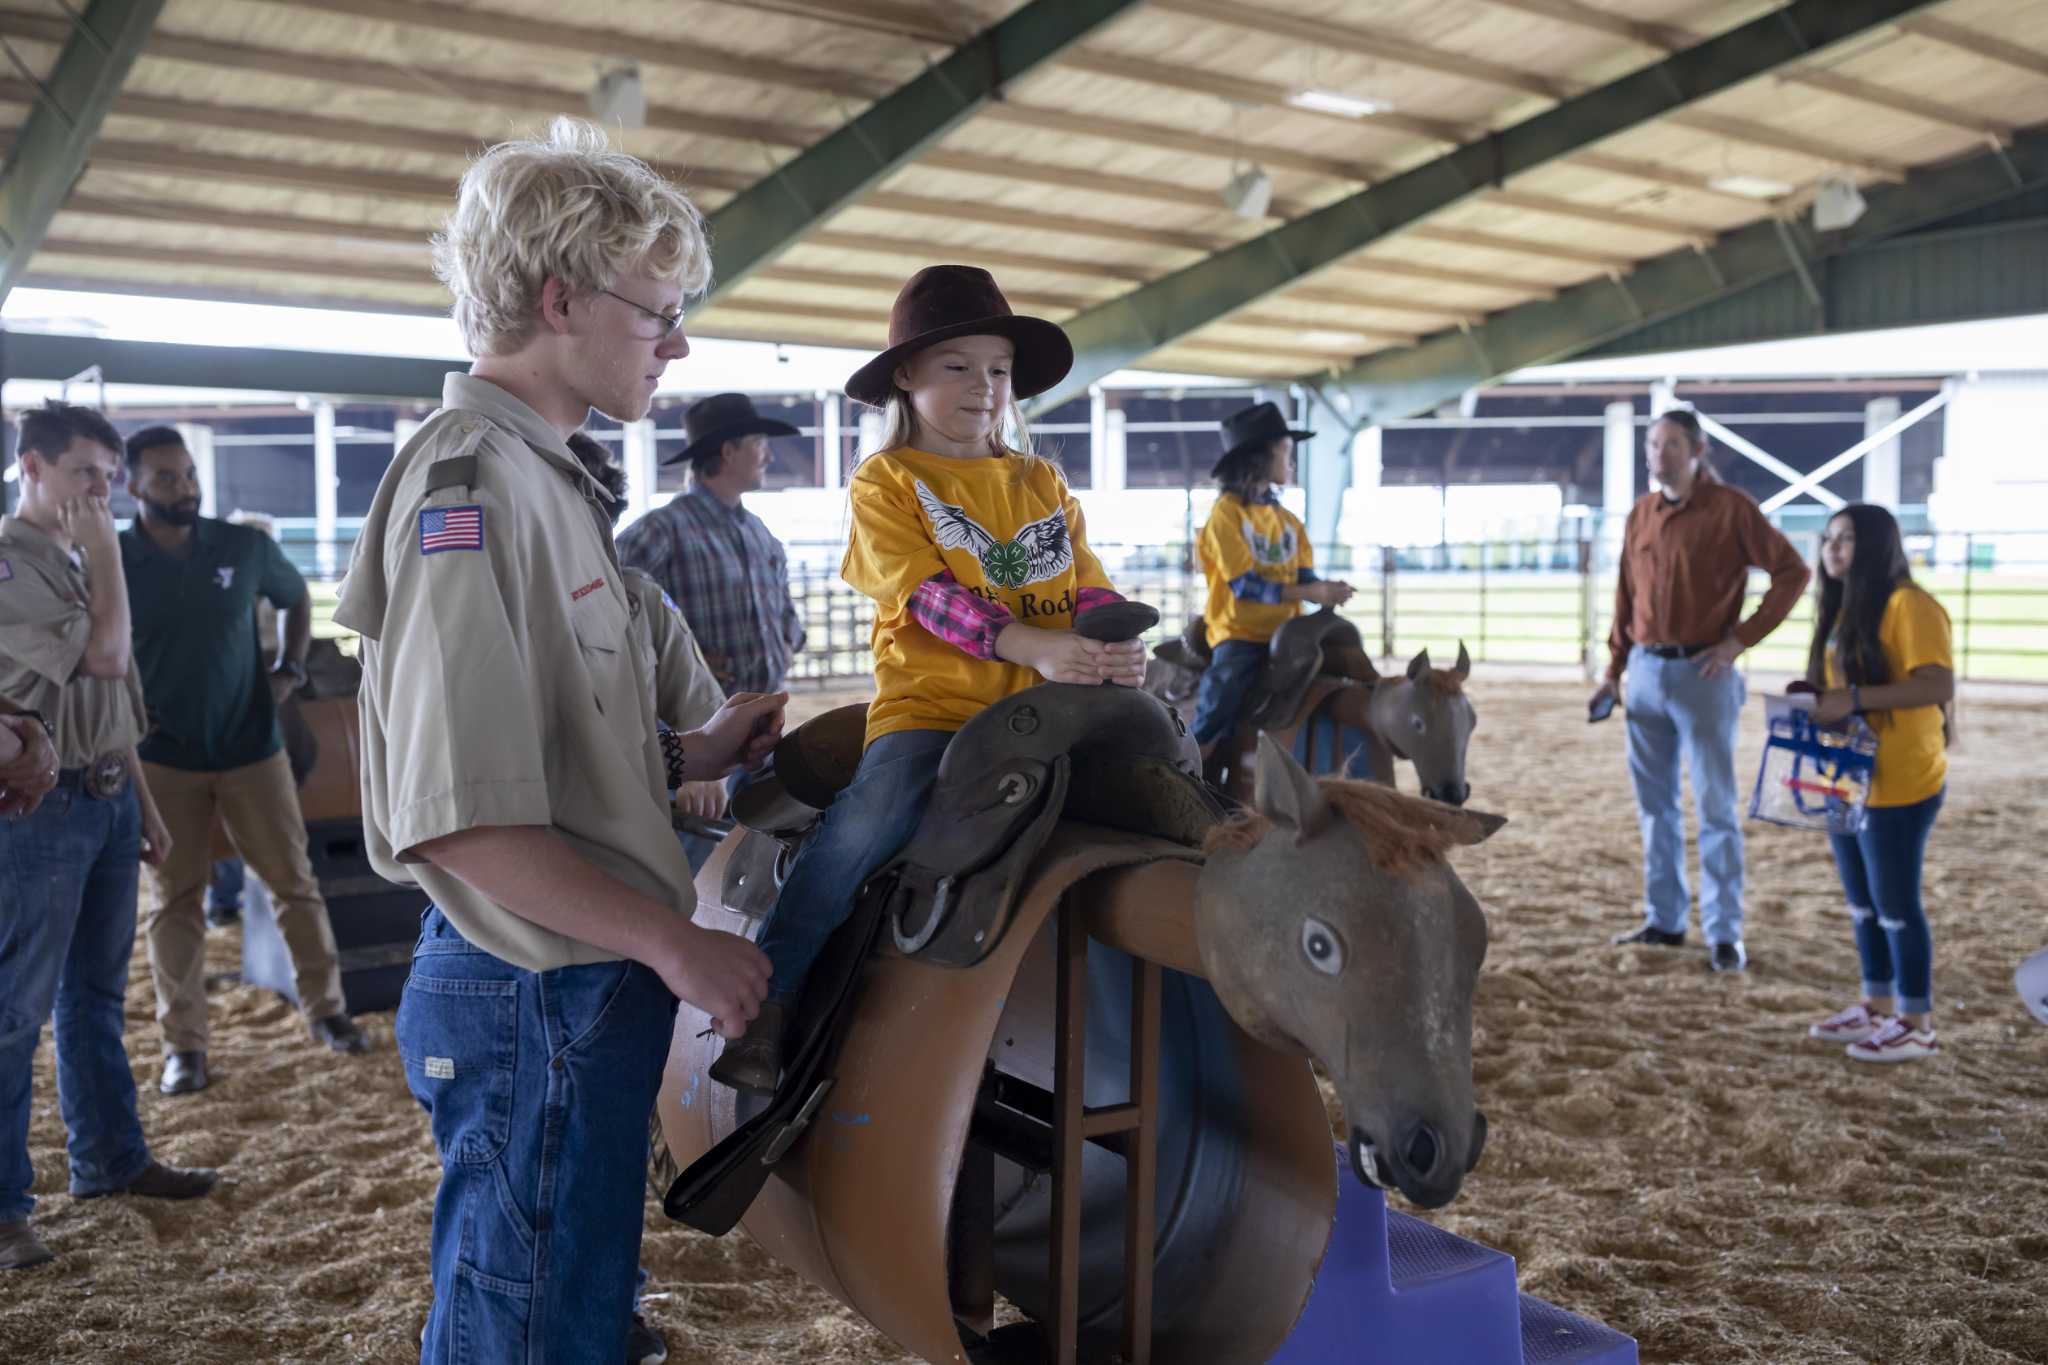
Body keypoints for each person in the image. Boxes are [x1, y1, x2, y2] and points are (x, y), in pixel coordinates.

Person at [331, 118, 783, 1364]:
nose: (676, 345)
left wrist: (688, 761)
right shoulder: (470, 490)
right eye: (659, 313)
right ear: (558, 296)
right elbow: (456, 814)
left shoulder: (550, 483)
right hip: (534, 982)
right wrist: (674, 944)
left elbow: (550, 753)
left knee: (565, 1309)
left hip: (566, 978)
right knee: (527, 1330)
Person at [709, 264, 1146, 1096]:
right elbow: (927, 598)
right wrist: (1033, 645)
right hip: (936, 710)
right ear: (906, 376)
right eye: (958, 367)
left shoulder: (1039, 480)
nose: (984, 387)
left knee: (1170, 778)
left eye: (998, 370)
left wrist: (1108, 637)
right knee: (865, 828)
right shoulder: (888, 481)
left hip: (1049, 706)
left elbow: (1086, 580)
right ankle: (769, 996)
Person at [1, 401, 217, 1273]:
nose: (104, 490)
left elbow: (111, 701)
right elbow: (107, 656)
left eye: (110, 474)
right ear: (33, 470)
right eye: (86, 471)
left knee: (94, 996)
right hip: (36, 807)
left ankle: (109, 1158)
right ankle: (7, 1209)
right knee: (14, 1010)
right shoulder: (15, 564)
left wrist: (145, 804)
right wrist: (109, 552)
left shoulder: (73, 559)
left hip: (105, 791)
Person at [119, 427, 367, 1095]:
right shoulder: (114, 559)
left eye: (189, 473)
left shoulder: (243, 545)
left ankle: (328, 1010)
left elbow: (292, 600)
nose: (185, 487)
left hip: (253, 747)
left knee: (294, 883)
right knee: (173, 901)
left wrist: (288, 667)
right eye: (166, 477)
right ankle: (185, 1048)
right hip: (161, 758)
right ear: (133, 485)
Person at [1593, 408, 1809, 972]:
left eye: (1668, 445)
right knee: (1655, 808)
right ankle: (1665, 919)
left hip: (1704, 674)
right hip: (1643, 671)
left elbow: (1792, 572)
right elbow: (1625, 595)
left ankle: (1724, 931)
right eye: (1651, 444)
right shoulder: (1641, 514)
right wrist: (1612, 669)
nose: (1656, 454)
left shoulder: (1732, 509)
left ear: (1696, 450)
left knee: (1715, 806)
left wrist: (1740, 641)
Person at [1799, 504, 1953, 1062]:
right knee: (1862, 904)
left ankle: (1917, 1020)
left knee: (1895, 904)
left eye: (1847, 539)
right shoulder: (1843, 608)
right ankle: (1877, 1003)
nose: (1833, 548)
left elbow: (1937, 685)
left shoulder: (1908, 605)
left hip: (1901, 780)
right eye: (1828, 539)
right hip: (1852, 777)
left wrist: (1856, 699)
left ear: (1878, 545)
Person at [1190, 400, 1354, 777]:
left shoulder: (1288, 521)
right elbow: (1245, 585)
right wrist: (1311, 595)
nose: (1291, 462)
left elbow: (1304, 576)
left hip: (1289, 632)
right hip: (1240, 632)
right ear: (1259, 459)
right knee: (1224, 690)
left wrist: (1324, 588)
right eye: (1285, 452)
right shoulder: (1225, 515)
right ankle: (1196, 762)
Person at [616, 391, 806, 699]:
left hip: (762, 715)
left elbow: (785, 609)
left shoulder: (759, 532)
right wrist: (673, 661)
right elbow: (609, 616)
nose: (769, 456)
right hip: (696, 726)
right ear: (729, 451)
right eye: (759, 443)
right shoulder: (659, 532)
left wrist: (786, 642)